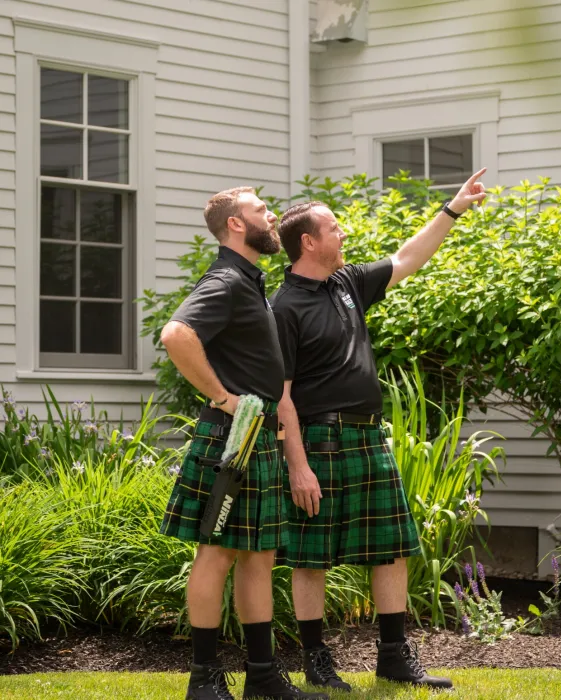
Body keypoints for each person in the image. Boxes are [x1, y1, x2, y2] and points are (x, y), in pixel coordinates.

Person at [270, 169, 488, 692]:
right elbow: (280, 397)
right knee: (311, 555)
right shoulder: (283, 308)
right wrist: (297, 465)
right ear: (309, 241)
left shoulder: (346, 285)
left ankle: (393, 656)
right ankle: (316, 660)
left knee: (390, 549)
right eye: (335, 228)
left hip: (367, 437)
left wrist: (453, 209)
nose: (343, 234)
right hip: (319, 441)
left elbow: (409, 257)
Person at [159, 187, 328, 700]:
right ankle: (204, 679)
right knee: (216, 555)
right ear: (235, 225)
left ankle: (261, 675)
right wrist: (223, 398)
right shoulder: (227, 279)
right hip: (232, 438)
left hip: (256, 438)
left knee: (259, 556)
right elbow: (176, 334)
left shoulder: (249, 281)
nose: (271, 215)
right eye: (260, 210)